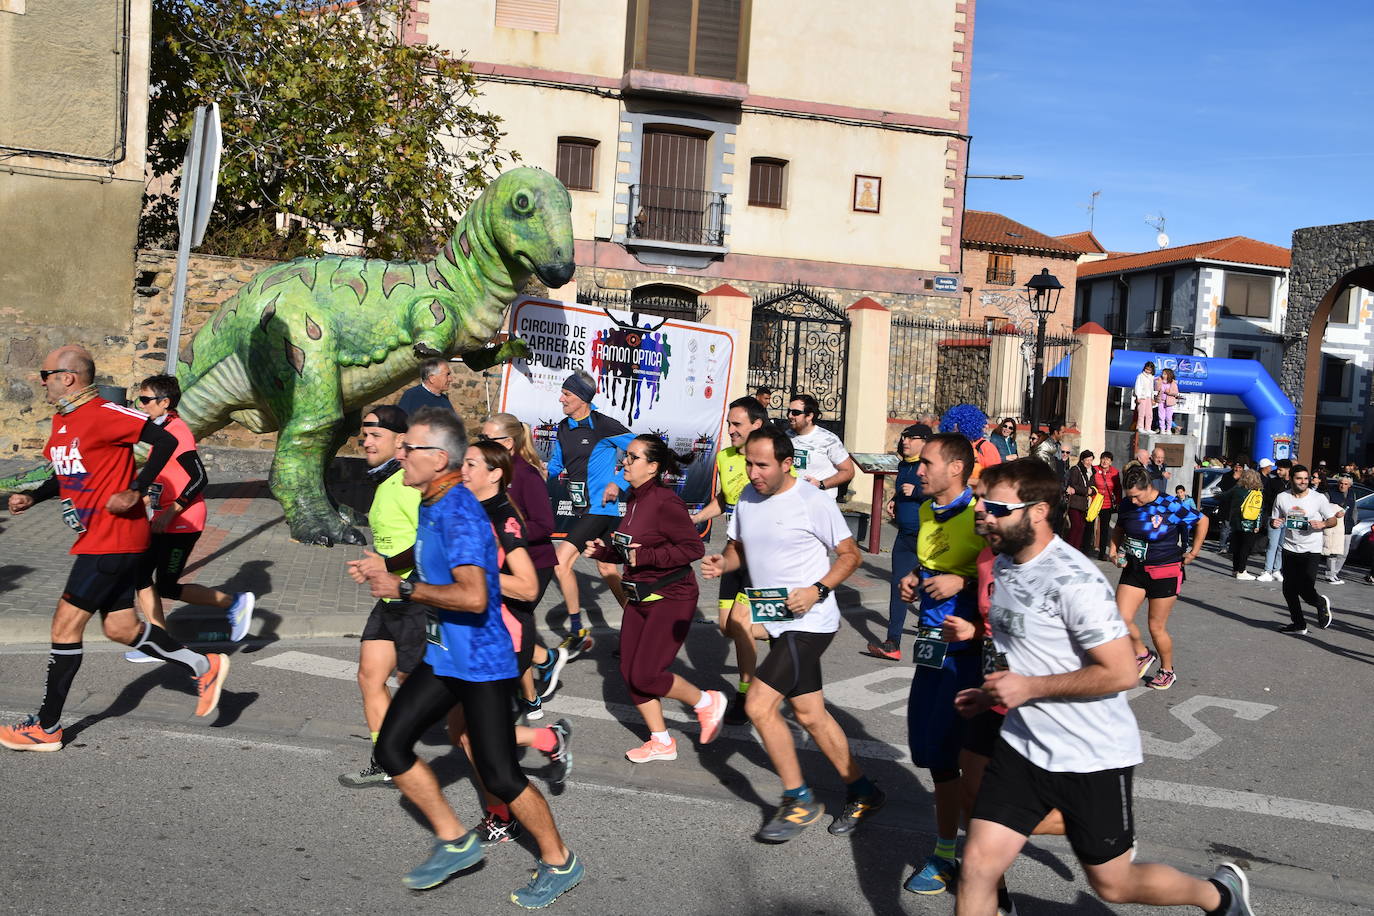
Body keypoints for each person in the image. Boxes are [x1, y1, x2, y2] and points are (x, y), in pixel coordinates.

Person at [952, 458, 1255, 916]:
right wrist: (995, 692)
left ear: (1037, 511)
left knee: (1114, 885)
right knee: (976, 868)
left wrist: (1029, 687)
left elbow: (1122, 673)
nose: (981, 513)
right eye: (980, 502)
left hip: (1091, 755)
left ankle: (1219, 895)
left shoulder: (1074, 579)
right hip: (1022, 747)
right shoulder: (1005, 564)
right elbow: (1027, 649)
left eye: (995, 506)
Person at [353, 408, 583, 905]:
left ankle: (561, 861)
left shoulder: (458, 512)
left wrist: (405, 587)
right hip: (445, 656)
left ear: (437, 459)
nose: (400, 455)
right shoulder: (433, 501)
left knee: (501, 774)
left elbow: (476, 597)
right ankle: (455, 840)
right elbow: (421, 554)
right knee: (392, 747)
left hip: (481, 661)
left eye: (408, 448)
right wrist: (386, 566)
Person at [1, 346, 230, 752]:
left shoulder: (107, 412)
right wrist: (34, 496)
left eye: (46, 373)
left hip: (114, 537)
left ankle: (47, 727)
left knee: (64, 626)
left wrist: (136, 489)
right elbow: (70, 476)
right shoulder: (62, 421)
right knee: (120, 628)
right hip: (98, 538)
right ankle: (203, 664)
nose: (42, 380)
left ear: (68, 377)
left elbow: (162, 441)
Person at [702, 427, 881, 843]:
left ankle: (798, 798)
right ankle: (863, 790)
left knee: (761, 706)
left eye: (762, 464)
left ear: (787, 463)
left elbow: (850, 555)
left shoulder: (812, 501)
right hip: (776, 620)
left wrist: (817, 590)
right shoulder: (747, 497)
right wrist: (721, 565)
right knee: (810, 715)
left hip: (810, 622)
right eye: (748, 462)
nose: (753, 472)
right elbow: (740, 550)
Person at [454, 441, 574, 843]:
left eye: (471, 464)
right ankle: (544, 739)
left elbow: (525, 588)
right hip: (471, 637)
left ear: (494, 474)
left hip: (504, 640)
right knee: (463, 730)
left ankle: (505, 817)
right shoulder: (469, 508)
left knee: (477, 737)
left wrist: (478, 575)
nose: (463, 468)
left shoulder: (505, 518)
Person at [585, 434, 725, 762]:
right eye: (626, 457)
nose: (625, 463)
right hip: (639, 595)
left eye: (633, 458)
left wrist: (646, 558)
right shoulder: (634, 499)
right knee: (631, 671)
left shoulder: (665, 501)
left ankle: (706, 702)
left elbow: (693, 548)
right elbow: (632, 548)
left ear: (653, 467)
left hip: (672, 595)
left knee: (647, 674)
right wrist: (604, 550)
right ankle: (661, 741)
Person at [895, 434, 987, 896]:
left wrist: (963, 584)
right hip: (930, 649)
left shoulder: (984, 514)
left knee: (964, 763)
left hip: (968, 657)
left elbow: (1006, 581)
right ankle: (950, 851)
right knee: (932, 755)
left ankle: (965, 859)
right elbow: (930, 561)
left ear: (956, 468)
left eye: (926, 463)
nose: (917, 470)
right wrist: (915, 579)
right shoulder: (929, 511)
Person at [126, 374, 255, 663]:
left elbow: (199, 478)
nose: (141, 405)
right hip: (163, 519)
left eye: (145, 400)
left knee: (166, 586)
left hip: (183, 522)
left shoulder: (178, 432)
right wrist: (141, 501)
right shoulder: (161, 429)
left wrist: (171, 512)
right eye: (140, 399)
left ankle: (236, 603)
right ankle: (157, 643)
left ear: (164, 402)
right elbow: (166, 478)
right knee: (141, 576)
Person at [339, 405, 425, 788]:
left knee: (434, 699)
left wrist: (386, 566)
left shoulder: (410, 482)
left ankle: (537, 739)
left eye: (375, 434)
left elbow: (430, 544)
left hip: (417, 596)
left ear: (400, 440)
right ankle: (386, 759)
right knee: (369, 676)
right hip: (390, 595)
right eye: (365, 433)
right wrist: (380, 567)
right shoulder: (386, 480)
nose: (366, 440)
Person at [480, 413, 569, 710]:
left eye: (486, 439)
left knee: (513, 624)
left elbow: (545, 525)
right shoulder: (489, 471)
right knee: (502, 625)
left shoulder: (526, 475)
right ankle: (541, 671)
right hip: (501, 562)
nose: (481, 444)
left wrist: (506, 533)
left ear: (507, 443)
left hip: (534, 563)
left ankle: (534, 683)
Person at [691, 397, 769, 722]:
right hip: (733, 551)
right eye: (729, 423)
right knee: (727, 627)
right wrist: (694, 518)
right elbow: (725, 499)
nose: (730, 429)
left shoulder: (771, 458)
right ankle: (785, 628)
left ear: (756, 425)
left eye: (737, 424)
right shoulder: (725, 457)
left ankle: (746, 694)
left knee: (740, 623)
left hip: (762, 556)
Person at [546, 370, 631, 658]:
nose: (561, 398)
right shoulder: (562, 427)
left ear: (582, 398)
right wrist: (534, 471)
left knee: (561, 562)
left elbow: (644, 452)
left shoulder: (602, 425)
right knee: (607, 569)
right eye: (563, 393)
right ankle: (637, 626)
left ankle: (577, 630)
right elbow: (557, 465)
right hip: (585, 508)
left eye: (567, 394)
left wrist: (618, 482)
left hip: (601, 509)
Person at [1107, 465, 1208, 691]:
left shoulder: (1169, 504)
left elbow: (1202, 521)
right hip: (1134, 568)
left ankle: (1167, 670)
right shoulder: (1127, 504)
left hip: (1164, 570)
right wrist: (1113, 551)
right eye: (1129, 496)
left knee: (1156, 627)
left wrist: (1193, 552)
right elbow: (1119, 528)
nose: (1132, 501)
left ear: (1148, 488)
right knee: (1119, 617)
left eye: (1136, 496)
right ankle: (1142, 654)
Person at [868, 422, 931, 661]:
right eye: (905, 437)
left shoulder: (930, 466)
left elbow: (944, 491)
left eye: (912, 438)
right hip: (904, 536)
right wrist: (895, 498)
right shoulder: (905, 463)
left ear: (925, 442)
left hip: (928, 537)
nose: (905, 441)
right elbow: (903, 488)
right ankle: (892, 642)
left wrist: (915, 492)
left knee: (929, 590)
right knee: (899, 587)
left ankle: (930, 643)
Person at [1271, 465, 1340, 635]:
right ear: (1291, 479)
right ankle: (1299, 624)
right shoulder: (1282, 497)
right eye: (1299, 478)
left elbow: (1332, 520)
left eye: (1306, 478)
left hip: (1311, 548)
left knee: (1305, 588)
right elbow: (1275, 518)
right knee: (1288, 589)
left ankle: (1320, 603)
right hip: (1289, 547)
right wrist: (1274, 523)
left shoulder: (1318, 498)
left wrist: (1322, 524)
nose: (1303, 482)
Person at [787, 393, 855, 498]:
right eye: (789, 411)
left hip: (820, 503)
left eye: (795, 412)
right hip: (793, 501)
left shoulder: (829, 440)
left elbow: (848, 471)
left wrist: (821, 484)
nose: (790, 416)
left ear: (809, 416)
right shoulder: (786, 437)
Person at [1227, 469, 1264, 581]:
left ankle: (1235, 570)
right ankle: (1242, 571)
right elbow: (1258, 511)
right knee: (1245, 548)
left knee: (1236, 547)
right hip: (1249, 523)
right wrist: (1257, 525)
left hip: (1236, 523)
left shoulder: (1237, 490)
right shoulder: (1256, 493)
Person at [1325, 473, 1359, 584]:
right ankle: (1329, 574)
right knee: (1333, 551)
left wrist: (1353, 522)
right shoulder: (1330, 493)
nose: (1342, 486)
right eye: (1340, 483)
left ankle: (1335, 573)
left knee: (1344, 552)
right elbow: (1324, 509)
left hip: (1347, 527)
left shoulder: (1352, 493)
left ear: (1349, 485)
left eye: (1345, 484)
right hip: (1335, 526)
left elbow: (1354, 509)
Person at [1064, 450, 1097, 555]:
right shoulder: (1075, 470)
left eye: (1091, 460)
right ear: (1082, 460)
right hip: (1074, 503)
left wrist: (1092, 491)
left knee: (1081, 527)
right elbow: (1074, 484)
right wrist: (1086, 491)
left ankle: (1076, 550)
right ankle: (1069, 548)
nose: (1089, 462)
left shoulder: (1092, 472)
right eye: (1087, 460)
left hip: (1084, 505)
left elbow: (1093, 486)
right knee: (1076, 526)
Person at [1091, 451, 1121, 560]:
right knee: (1089, 526)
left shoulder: (1115, 472)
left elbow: (1118, 488)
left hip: (1107, 505)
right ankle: (1085, 549)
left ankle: (1102, 553)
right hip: (1094, 503)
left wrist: (1118, 502)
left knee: (1104, 529)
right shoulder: (1094, 469)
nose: (1105, 461)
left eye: (1107, 459)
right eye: (1103, 458)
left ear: (1111, 462)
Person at [1155, 367, 1180, 434]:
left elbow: (1175, 392)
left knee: (1168, 416)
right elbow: (1156, 389)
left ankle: (1168, 429)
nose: (1163, 375)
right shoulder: (1160, 382)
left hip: (1169, 402)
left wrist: (1168, 392)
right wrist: (1158, 382)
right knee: (1161, 416)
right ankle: (1162, 429)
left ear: (1169, 375)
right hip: (1161, 401)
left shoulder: (1173, 383)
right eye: (1163, 374)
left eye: (1165, 374)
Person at [1133, 361, 1156, 433]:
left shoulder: (1151, 377)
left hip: (1149, 397)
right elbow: (1138, 386)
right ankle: (1140, 427)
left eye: (1149, 370)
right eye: (1146, 369)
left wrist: (1152, 398)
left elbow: (1152, 388)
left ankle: (1148, 427)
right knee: (1141, 413)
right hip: (1142, 397)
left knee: (1149, 413)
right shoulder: (1140, 376)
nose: (1147, 371)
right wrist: (1138, 396)